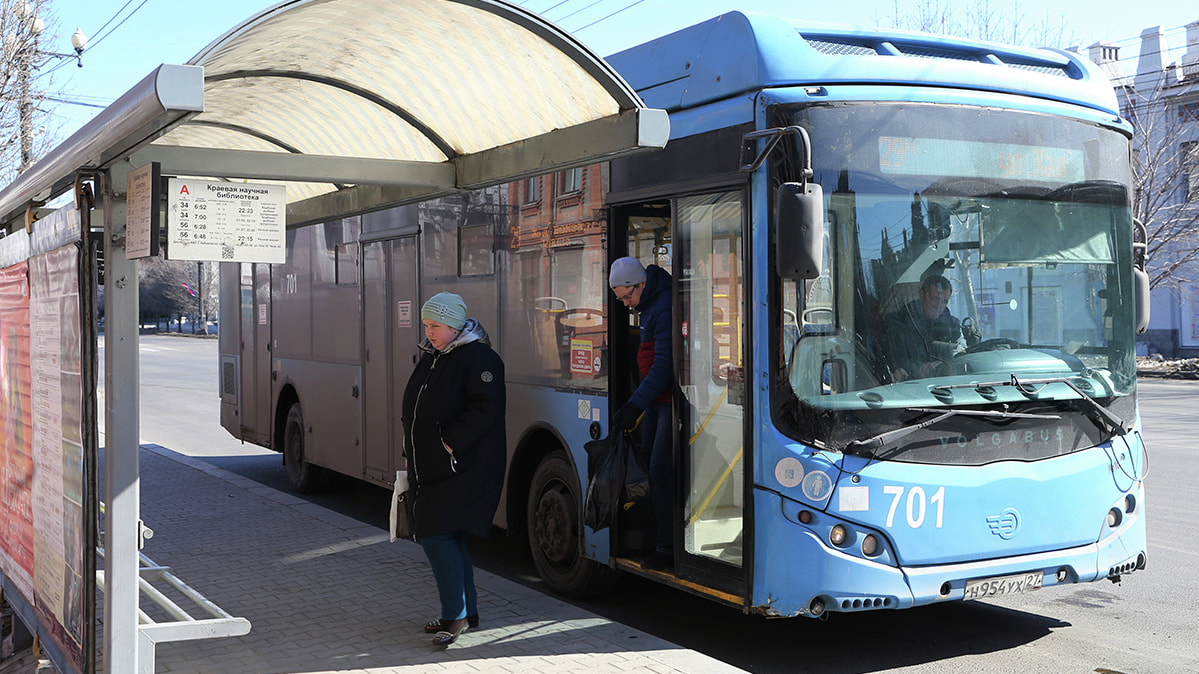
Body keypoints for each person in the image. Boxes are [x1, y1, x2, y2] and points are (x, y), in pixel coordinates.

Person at [401, 292, 506, 647]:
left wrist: (448, 443)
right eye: (427, 325)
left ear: (455, 325)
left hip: (462, 466)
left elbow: (486, 408)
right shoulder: (437, 355)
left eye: (436, 326)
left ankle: (455, 616)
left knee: (435, 534)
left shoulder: (478, 357)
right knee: (450, 535)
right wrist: (412, 448)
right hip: (435, 463)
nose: (429, 332)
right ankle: (465, 612)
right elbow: (418, 409)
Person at [608, 256, 674, 571]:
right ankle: (659, 539)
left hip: (666, 403)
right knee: (651, 466)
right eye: (620, 298)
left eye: (626, 296)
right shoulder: (648, 306)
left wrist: (634, 404)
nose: (624, 303)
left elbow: (663, 367)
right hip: (655, 403)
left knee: (661, 472)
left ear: (641, 284)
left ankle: (667, 547)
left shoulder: (662, 307)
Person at [883, 275, 964, 382]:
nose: (939, 305)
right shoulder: (898, 324)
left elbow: (962, 355)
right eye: (935, 299)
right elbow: (897, 368)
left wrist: (941, 364)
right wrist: (917, 371)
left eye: (944, 301)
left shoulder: (953, 325)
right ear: (921, 295)